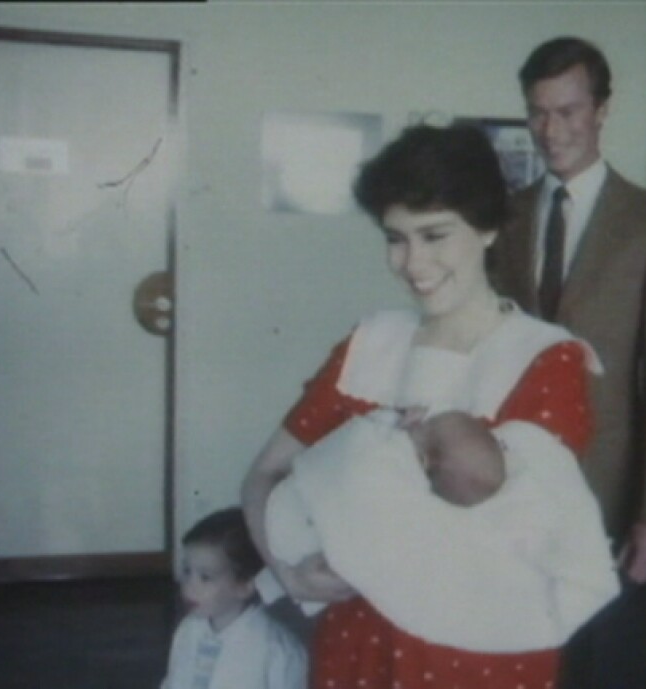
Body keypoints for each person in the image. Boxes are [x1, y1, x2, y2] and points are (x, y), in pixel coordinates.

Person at [241, 123, 618, 689]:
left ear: (488, 229)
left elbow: (530, 532)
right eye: (396, 237)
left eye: (435, 235)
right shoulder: (371, 343)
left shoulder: (543, 358)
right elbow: (265, 473)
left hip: (477, 656)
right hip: (358, 644)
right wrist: (289, 574)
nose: (413, 262)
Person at [489, 35, 646, 686]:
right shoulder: (507, 216)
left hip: (604, 484)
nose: (551, 131)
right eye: (538, 112)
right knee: (514, 644)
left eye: (569, 111)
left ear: (602, 110)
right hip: (510, 474)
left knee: (597, 659)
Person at [262, 402, 617, 651]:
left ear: (426, 459)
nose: (417, 422)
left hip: (297, 531)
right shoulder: (401, 448)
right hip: (290, 521)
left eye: (425, 427)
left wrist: (388, 422)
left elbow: (368, 478)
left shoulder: (393, 471)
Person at [161, 507, 306, 689]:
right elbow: (173, 681)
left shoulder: (276, 649)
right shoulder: (187, 630)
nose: (189, 585)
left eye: (205, 577)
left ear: (244, 586)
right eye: (187, 571)